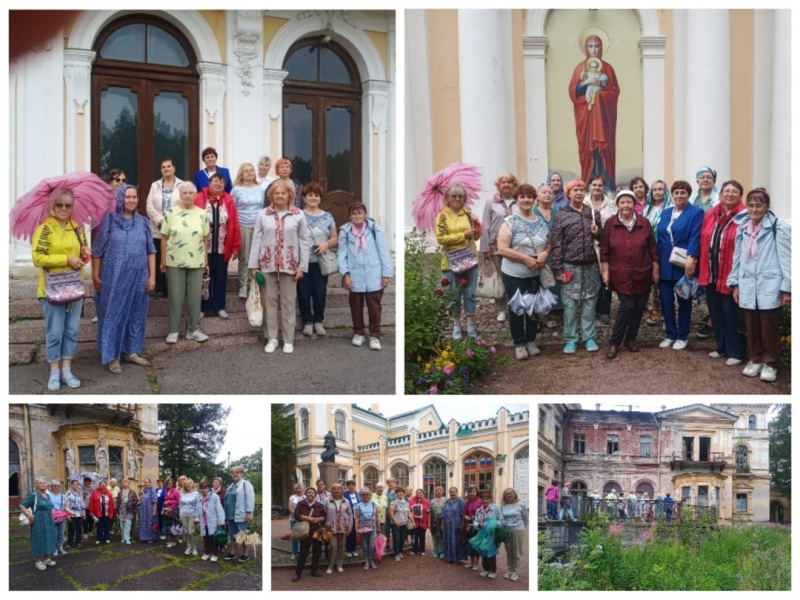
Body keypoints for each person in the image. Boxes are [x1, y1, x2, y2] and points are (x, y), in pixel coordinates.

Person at [728, 188, 791, 382]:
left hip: (769, 283)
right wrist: (735, 284)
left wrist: (787, 287)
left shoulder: (777, 227)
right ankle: (754, 359)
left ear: (767, 207)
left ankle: (770, 363)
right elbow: (737, 258)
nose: (754, 209)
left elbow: (787, 259)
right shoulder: (742, 227)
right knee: (751, 325)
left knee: (768, 325)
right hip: (747, 284)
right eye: (751, 205)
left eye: (759, 205)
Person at [92, 184, 156, 373]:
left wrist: (152, 275)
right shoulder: (109, 221)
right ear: (120, 199)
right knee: (113, 314)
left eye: (134, 197)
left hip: (139, 276)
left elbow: (151, 250)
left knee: (136, 314)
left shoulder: (143, 222)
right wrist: (95, 275)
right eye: (128, 197)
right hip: (114, 277)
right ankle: (112, 356)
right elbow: (97, 251)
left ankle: (131, 351)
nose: (131, 200)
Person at [31, 188, 89, 391]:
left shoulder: (78, 229)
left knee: (72, 332)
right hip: (52, 290)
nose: (64, 209)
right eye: (59, 204)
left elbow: (82, 259)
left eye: (68, 205)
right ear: (52, 206)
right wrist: (66, 259)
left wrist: (84, 254)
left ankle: (67, 369)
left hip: (73, 288)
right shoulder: (44, 229)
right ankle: (54, 371)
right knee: (55, 333)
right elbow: (38, 258)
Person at [249, 180, 310, 354]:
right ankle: (272, 338)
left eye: (283, 193)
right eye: (277, 193)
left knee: (289, 302)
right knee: (269, 302)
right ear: (271, 196)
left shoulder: (298, 214)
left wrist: (302, 267)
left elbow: (304, 242)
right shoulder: (263, 214)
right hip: (267, 263)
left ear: (290, 195)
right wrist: (253, 265)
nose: (280, 196)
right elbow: (256, 241)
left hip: (290, 264)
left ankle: (288, 339)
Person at [601, 190, 659, 358]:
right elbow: (604, 250)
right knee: (627, 306)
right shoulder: (611, 224)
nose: (626, 205)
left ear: (634, 204)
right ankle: (614, 342)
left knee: (638, 307)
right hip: (620, 273)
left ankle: (631, 339)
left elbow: (652, 249)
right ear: (617, 205)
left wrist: (655, 270)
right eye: (622, 202)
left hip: (643, 272)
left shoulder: (644, 223)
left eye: (629, 202)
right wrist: (605, 271)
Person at [496, 183, 551, 360]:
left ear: (534, 199)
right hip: (514, 274)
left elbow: (549, 242)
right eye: (522, 197)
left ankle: (531, 340)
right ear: (516, 200)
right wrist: (525, 259)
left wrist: (544, 254)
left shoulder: (540, 220)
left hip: (535, 274)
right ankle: (519, 343)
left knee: (534, 307)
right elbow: (502, 249)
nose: (526, 200)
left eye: (529, 197)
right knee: (518, 308)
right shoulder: (510, 221)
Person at [699, 180, 747, 366]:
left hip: (730, 274)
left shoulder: (744, 216)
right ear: (720, 194)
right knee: (716, 312)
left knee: (730, 313)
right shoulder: (712, 213)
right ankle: (721, 347)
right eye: (726, 191)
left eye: (734, 191)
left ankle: (737, 351)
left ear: (740, 195)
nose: (729, 194)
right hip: (711, 272)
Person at [552, 179, 603, 353]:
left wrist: (598, 233)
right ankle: (571, 339)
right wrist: (557, 269)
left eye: (582, 190)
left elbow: (602, 240)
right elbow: (556, 244)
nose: (579, 193)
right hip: (569, 266)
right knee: (570, 305)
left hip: (590, 267)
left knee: (589, 304)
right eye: (575, 190)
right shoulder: (561, 215)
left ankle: (589, 338)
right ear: (568, 194)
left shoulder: (593, 213)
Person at [338, 202, 394, 349]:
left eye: (360, 213)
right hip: (354, 274)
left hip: (374, 274)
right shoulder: (345, 231)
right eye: (354, 213)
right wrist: (345, 274)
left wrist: (386, 273)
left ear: (365, 214)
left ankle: (375, 335)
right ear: (350, 216)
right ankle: (359, 333)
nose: (357, 216)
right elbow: (342, 254)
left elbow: (383, 251)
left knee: (374, 307)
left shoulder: (374, 229)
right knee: (355, 306)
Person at [160, 181, 211, 344]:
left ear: (195, 195)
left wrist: (206, 262)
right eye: (184, 193)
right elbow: (164, 238)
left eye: (190, 193)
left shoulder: (202, 214)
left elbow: (205, 240)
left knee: (195, 297)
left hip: (196, 261)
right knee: (175, 296)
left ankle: (194, 329)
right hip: (175, 260)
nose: (188, 195)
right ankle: (173, 331)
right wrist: (163, 259)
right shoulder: (171, 213)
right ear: (180, 195)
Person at [656, 180, 704, 350]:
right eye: (676, 192)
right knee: (666, 301)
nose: (679, 196)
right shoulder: (666, 212)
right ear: (672, 194)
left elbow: (695, 236)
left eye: (683, 192)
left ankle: (682, 336)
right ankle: (670, 334)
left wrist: (692, 258)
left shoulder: (695, 212)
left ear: (688, 195)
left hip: (683, 263)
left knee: (684, 301)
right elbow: (660, 235)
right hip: (664, 262)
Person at [569, 34, 620, 192]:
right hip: (586, 118)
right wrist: (585, 84)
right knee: (588, 151)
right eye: (590, 46)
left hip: (603, 120)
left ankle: (607, 187)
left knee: (603, 150)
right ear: (585, 48)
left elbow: (614, 91)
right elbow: (573, 91)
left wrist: (599, 98)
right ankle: (587, 185)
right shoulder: (580, 69)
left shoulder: (608, 69)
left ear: (601, 48)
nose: (593, 49)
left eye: (596, 46)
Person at [435, 183, 483, 340]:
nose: (457, 199)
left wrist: (477, 226)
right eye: (454, 196)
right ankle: (456, 324)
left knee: (470, 293)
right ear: (447, 197)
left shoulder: (468, 214)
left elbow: (475, 237)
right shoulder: (442, 216)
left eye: (460, 196)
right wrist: (462, 235)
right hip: (451, 261)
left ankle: (470, 324)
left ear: (464, 199)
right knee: (454, 295)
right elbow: (441, 239)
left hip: (469, 259)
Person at [195, 172, 241, 319]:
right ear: (209, 183)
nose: (218, 184)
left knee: (221, 278)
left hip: (222, 247)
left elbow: (234, 224)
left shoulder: (228, 200)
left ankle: (220, 306)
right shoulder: (199, 198)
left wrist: (235, 247)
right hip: (203, 248)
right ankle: (204, 307)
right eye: (215, 181)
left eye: (221, 182)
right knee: (204, 278)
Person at [299, 182, 337, 336]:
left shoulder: (328, 216)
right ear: (304, 198)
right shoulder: (298, 215)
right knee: (303, 293)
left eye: (316, 195)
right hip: (302, 261)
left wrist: (326, 244)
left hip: (320, 262)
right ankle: (307, 322)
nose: (313, 198)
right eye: (310, 195)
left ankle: (318, 321)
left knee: (320, 292)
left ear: (320, 198)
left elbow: (335, 237)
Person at [480, 172, 519, 323]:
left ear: (514, 185)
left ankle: (514, 306)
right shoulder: (491, 202)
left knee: (514, 278)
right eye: (503, 182)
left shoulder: (519, 200)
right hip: (496, 247)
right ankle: (501, 309)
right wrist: (485, 249)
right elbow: (485, 225)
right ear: (499, 185)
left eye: (510, 182)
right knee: (501, 279)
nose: (507, 185)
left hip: (516, 247)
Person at [146, 157, 183, 298]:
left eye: (169, 166)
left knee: (174, 257)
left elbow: (185, 204)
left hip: (176, 228)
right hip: (158, 228)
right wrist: (160, 220)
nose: (166, 169)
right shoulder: (155, 185)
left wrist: (172, 223)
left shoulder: (182, 185)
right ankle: (161, 288)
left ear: (174, 168)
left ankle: (173, 287)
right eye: (163, 167)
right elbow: (149, 205)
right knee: (158, 257)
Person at [583, 174, 617, 325]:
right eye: (594, 185)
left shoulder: (611, 204)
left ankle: (604, 311)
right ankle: (591, 310)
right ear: (589, 186)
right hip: (586, 247)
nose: (597, 188)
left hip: (605, 246)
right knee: (590, 279)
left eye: (600, 185)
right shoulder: (582, 203)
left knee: (605, 278)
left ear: (604, 188)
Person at [692, 167, 720, 338]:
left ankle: (714, 320)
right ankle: (709, 313)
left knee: (712, 281)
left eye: (709, 177)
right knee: (700, 281)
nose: (705, 180)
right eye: (701, 177)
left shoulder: (718, 200)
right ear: (697, 181)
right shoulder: (693, 199)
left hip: (714, 245)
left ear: (714, 181)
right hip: (697, 243)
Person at [232, 162, 264, 299]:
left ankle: (253, 283)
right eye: (246, 171)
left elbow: (263, 207)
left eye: (251, 170)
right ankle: (243, 285)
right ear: (241, 174)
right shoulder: (236, 190)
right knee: (244, 257)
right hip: (242, 226)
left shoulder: (261, 189)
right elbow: (232, 209)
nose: (250, 173)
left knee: (256, 256)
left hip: (258, 227)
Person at [643, 180, 673, 324]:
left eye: (661, 189)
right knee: (654, 282)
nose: (657, 192)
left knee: (663, 283)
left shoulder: (670, 208)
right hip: (649, 250)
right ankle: (656, 310)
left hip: (664, 250)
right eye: (654, 190)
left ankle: (666, 314)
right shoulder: (647, 209)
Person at [20, 477, 59, 571]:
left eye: (44, 483)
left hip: (48, 520)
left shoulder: (47, 495)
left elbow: (50, 508)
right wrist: (29, 515)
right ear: (36, 485)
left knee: (48, 538)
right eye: (40, 483)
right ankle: (38, 561)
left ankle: (46, 558)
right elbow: (22, 506)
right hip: (38, 521)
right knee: (38, 539)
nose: (42, 484)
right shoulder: (34, 495)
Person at [292, 487, 326, 582]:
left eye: (312, 492)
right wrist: (308, 518)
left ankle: (314, 570)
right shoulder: (301, 504)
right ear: (306, 494)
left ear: (315, 495)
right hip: (305, 532)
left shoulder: (319, 505)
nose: (310, 494)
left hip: (317, 531)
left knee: (317, 552)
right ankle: (298, 573)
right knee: (303, 552)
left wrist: (319, 519)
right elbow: (296, 514)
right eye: (309, 492)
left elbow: (325, 516)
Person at [224, 465, 255, 562]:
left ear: (241, 473)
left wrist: (249, 512)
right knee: (233, 535)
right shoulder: (231, 486)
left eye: (237, 472)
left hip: (241, 514)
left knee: (243, 535)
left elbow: (251, 499)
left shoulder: (246, 484)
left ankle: (245, 554)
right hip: (230, 514)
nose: (235, 474)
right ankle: (233, 553)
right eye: (233, 473)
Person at [498, 488, 528, 582]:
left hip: (517, 529)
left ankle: (515, 571)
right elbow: (501, 518)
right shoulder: (502, 506)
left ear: (514, 494)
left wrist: (520, 527)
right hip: (506, 530)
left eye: (510, 493)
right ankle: (509, 569)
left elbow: (526, 518)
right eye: (506, 494)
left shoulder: (521, 505)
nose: (509, 495)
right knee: (509, 551)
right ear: (504, 496)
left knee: (516, 551)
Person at [325, 483, 354, 573]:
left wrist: (349, 527)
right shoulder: (327, 501)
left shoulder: (346, 501)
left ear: (342, 491)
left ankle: (339, 565)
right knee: (332, 546)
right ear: (332, 491)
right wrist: (326, 525)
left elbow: (350, 514)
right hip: (331, 527)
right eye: (335, 489)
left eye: (339, 489)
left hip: (343, 527)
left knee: (341, 546)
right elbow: (323, 514)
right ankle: (330, 566)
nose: (337, 490)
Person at [474, 490, 502, 578]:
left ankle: (492, 570)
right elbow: (475, 521)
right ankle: (485, 569)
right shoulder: (478, 510)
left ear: (490, 499)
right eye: (483, 499)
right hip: (481, 534)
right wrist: (478, 524)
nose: (485, 501)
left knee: (491, 553)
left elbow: (501, 520)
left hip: (491, 534)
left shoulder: (495, 509)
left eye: (487, 499)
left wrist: (492, 524)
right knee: (483, 552)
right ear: (481, 500)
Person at [195, 480, 226, 562]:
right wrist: (197, 521)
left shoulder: (214, 497)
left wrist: (220, 522)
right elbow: (197, 510)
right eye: (202, 488)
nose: (204, 490)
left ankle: (214, 554)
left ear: (208, 488)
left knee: (213, 538)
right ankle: (206, 552)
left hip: (212, 521)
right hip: (203, 521)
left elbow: (219, 509)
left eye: (205, 488)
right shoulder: (199, 497)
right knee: (205, 538)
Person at [355, 488, 380, 570]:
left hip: (372, 525)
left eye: (367, 494)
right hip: (363, 526)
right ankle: (366, 561)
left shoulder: (374, 504)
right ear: (360, 496)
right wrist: (356, 528)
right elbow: (357, 518)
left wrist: (379, 527)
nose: (365, 496)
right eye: (363, 494)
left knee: (372, 545)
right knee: (365, 545)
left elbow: (377, 517)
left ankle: (371, 560)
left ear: (370, 495)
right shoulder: (358, 505)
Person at [441, 486, 464, 564]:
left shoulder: (460, 501)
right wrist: (442, 524)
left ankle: (455, 558)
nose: (452, 493)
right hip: (447, 525)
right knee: (447, 540)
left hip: (456, 525)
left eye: (453, 492)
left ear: (457, 492)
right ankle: (448, 557)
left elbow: (463, 514)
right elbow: (443, 514)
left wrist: (462, 525)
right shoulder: (447, 501)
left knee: (455, 541)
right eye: (450, 492)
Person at [88, 480, 115, 544]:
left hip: (106, 512)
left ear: (106, 486)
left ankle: (107, 538)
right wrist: (91, 511)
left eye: (105, 485)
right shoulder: (95, 492)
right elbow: (91, 502)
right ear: (99, 485)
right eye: (102, 485)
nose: (103, 486)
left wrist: (111, 513)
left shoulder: (109, 493)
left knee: (106, 525)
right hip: (98, 512)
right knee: (99, 526)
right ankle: (99, 538)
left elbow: (111, 504)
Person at [389, 485, 411, 562]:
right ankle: (396, 554)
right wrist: (395, 522)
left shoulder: (406, 503)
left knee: (402, 539)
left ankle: (400, 551)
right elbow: (391, 513)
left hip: (404, 524)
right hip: (396, 524)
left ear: (404, 493)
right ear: (396, 493)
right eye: (399, 492)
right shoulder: (393, 502)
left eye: (402, 492)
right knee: (397, 539)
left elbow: (409, 513)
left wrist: (412, 521)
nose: (400, 493)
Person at [463, 485, 482, 567]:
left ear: (477, 493)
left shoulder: (480, 501)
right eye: (470, 492)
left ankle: (476, 563)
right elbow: (464, 512)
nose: (472, 493)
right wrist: (465, 516)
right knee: (469, 543)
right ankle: (471, 562)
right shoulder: (467, 502)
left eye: (474, 492)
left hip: (477, 526)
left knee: (476, 544)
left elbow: (483, 512)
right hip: (469, 526)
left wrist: (476, 516)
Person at [179, 478, 200, 556]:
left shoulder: (196, 494)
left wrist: (196, 517)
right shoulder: (182, 494)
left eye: (189, 483)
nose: (188, 485)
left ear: (192, 484)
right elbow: (180, 505)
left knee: (191, 531)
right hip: (184, 514)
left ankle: (194, 548)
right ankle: (189, 547)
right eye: (186, 484)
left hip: (192, 515)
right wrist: (180, 515)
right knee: (186, 532)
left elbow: (198, 506)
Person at [341, 480, 360, 558]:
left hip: (357, 517)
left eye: (353, 485)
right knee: (349, 533)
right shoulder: (344, 495)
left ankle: (354, 549)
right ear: (347, 486)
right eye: (349, 485)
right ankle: (348, 550)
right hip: (348, 516)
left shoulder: (358, 494)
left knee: (355, 533)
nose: (351, 486)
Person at [115, 478, 138, 544]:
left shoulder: (132, 492)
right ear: (122, 484)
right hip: (121, 510)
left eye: (126, 482)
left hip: (129, 510)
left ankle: (127, 538)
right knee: (122, 525)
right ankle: (123, 537)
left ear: (128, 484)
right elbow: (118, 502)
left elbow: (136, 501)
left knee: (128, 524)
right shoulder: (120, 492)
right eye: (123, 482)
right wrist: (117, 512)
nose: (125, 484)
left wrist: (131, 503)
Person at [47, 480, 67, 555]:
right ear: (52, 487)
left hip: (61, 517)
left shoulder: (63, 496)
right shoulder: (48, 496)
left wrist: (69, 513)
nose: (57, 487)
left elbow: (65, 507)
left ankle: (61, 548)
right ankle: (55, 548)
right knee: (54, 533)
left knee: (61, 533)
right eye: (55, 486)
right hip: (52, 517)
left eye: (58, 486)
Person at [64, 478, 85, 550]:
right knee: (71, 529)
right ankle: (70, 543)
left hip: (79, 514)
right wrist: (68, 514)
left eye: (77, 484)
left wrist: (84, 513)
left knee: (79, 529)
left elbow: (82, 503)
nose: (75, 486)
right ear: (71, 485)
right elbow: (66, 505)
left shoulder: (80, 493)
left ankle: (78, 542)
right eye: (74, 484)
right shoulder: (68, 493)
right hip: (71, 513)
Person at [409, 488, 429, 555]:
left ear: (423, 493)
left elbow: (427, 511)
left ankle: (422, 550)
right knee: (415, 536)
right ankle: (414, 550)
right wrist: (413, 515)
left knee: (422, 537)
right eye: (418, 492)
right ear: (415, 493)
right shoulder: (412, 501)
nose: (419, 493)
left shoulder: (426, 501)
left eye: (420, 492)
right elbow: (409, 510)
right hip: (415, 521)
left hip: (423, 521)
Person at [137, 478, 158, 544]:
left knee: (150, 524)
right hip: (143, 511)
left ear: (150, 483)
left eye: (147, 482)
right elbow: (143, 499)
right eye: (145, 482)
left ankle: (150, 538)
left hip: (149, 510)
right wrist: (140, 502)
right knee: (143, 524)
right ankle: (143, 538)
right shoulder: (144, 491)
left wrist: (154, 511)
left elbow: (155, 502)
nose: (146, 483)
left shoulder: (152, 490)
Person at [162, 478, 181, 547]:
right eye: (168, 483)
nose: (169, 485)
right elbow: (165, 498)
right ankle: (170, 541)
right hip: (167, 510)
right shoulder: (166, 491)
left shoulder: (176, 491)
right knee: (168, 526)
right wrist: (165, 502)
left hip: (173, 510)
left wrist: (170, 501)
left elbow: (178, 501)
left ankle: (173, 541)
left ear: (173, 484)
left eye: (171, 483)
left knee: (173, 526)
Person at [287, 483, 304, 559]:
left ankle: (303, 552)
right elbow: (290, 508)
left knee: (303, 535)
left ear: (302, 489)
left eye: (299, 488)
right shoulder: (292, 497)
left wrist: (301, 517)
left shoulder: (305, 497)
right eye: (297, 488)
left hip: (303, 519)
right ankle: (294, 553)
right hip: (294, 519)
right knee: (294, 536)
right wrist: (297, 516)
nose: (298, 489)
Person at [428, 486, 446, 559]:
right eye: (437, 490)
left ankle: (441, 552)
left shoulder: (445, 500)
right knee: (434, 536)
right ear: (435, 492)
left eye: (440, 490)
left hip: (442, 520)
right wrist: (429, 523)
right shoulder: (432, 501)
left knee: (441, 536)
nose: (439, 492)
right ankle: (436, 551)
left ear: (443, 492)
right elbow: (430, 512)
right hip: (434, 521)